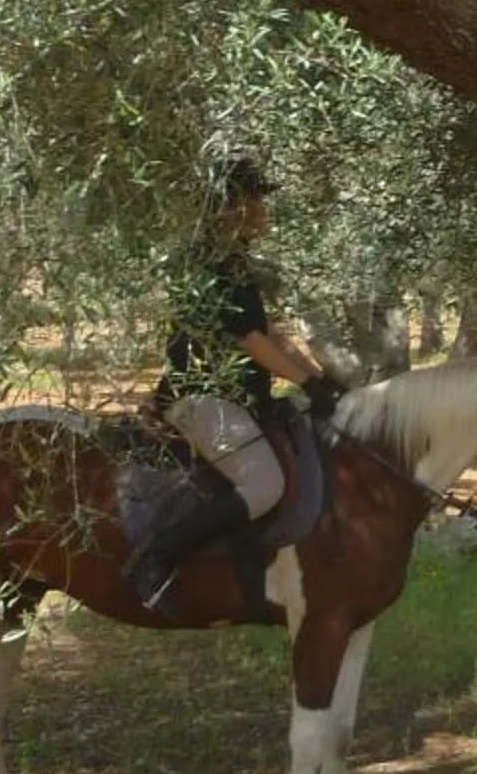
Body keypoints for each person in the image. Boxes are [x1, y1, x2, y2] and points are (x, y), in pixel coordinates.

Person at [123, 157, 342, 617]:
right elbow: (250, 341)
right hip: (200, 395)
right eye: (255, 199)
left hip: (236, 396)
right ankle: (155, 559)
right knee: (264, 483)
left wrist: (318, 377)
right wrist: (305, 381)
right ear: (230, 206)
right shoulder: (209, 263)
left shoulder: (234, 261)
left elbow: (270, 333)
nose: (263, 209)